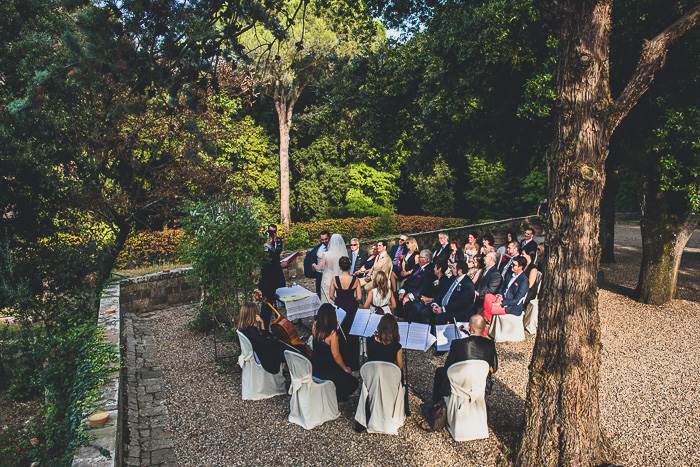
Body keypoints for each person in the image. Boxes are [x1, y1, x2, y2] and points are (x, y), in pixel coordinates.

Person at [430, 314, 497, 407]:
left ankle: (436, 404)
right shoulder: (490, 344)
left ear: (470, 327)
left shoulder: (457, 344)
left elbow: (448, 367)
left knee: (440, 372)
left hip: (460, 383)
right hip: (480, 382)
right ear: (484, 328)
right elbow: (494, 367)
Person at [311, 304, 359, 402]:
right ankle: (337, 396)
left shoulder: (315, 325)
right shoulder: (333, 334)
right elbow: (336, 356)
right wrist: (345, 368)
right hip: (328, 370)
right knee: (354, 382)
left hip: (316, 367)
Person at [410, 260, 476, 325]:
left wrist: (443, 309)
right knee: (422, 311)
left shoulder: (467, 284)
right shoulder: (452, 279)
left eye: (453, 268)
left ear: (460, 271)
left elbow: (460, 304)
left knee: (437, 318)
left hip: (453, 312)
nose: (451, 270)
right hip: (441, 307)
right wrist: (435, 304)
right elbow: (443, 293)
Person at [237, 302, 289, 374]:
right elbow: (265, 343)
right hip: (263, 355)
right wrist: (277, 338)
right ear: (253, 315)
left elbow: (262, 340)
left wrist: (262, 324)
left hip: (257, 350)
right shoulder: (252, 331)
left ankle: (286, 367)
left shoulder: (243, 328)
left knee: (280, 345)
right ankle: (288, 368)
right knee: (283, 348)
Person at [329, 256, 362, 370]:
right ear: (349, 266)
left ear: (340, 266)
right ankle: (354, 364)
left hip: (340, 308)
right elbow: (359, 297)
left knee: (340, 334)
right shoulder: (355, 280)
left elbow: (331, 295)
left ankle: (341, 360)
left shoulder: (335, 279)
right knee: (352, 335)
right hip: (352, 309)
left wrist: (338, 301)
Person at [484, 256, 530, 324]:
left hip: (511, 306)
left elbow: (516, 300)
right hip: (503, 297)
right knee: (487, 296)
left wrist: (502, 303)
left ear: (520, 267)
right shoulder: (510, 274)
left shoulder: (524, 281)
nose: (511, 266)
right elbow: (503, 286)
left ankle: (487, 323)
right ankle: (488, 320)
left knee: (489, 308)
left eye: (514, 265)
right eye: (512, 264)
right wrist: (499, 295)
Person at [258, 224, 285, 328]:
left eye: (273, 231)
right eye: (270, 231)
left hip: (276, 274)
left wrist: (271, 243)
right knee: (266, 304)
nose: (271, 233)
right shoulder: (263, 243)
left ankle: (278, 324)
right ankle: (264, 326)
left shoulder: (277, 241)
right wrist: (267, 244)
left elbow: (277, 253)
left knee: (277, 300)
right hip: (266, 276)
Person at [397, 249, 434, 316]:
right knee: (395, 295)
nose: (418, 258)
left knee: (408, 302)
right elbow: (408, 280)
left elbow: (423, 287)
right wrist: (402, 290)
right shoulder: (417, 266)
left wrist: (410, 295)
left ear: (427, 259)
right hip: (408, 290)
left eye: (420, 257)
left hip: (417, 294)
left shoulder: (430, 270)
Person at [319, 234, 348, 304]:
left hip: (328, 279)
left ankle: (328, 314)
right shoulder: (344, 255)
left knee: (327, 300)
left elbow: (320, 268)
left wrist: (313, 264)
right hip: (339, 280)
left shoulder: (326, 254)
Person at [304, 231, 330, 297]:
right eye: (322, 240)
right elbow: (311, 255)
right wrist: (313, 264)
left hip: (329, 274)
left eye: (326, 239)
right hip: (319, 274)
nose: (324, 241)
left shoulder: (333, 248)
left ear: (329, 238)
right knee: (319, 292)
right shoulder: (318, 247)